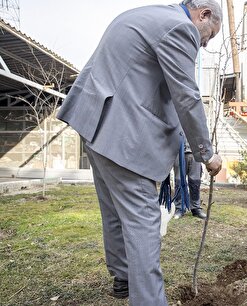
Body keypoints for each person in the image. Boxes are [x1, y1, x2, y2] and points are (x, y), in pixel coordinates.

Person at [56, 1, 223, 304]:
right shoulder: (180, 27)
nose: (205, 43)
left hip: (95, 121)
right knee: (143, 222)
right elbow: (185, 95)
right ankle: (148, 299)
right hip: (124, 136)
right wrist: (206, 153)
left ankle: (123, 278)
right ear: (204, 14)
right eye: (209, 36)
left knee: (114, 211)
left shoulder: (144, 14)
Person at [173, 137, 207, 219]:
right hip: (178, 152)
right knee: (179, 181)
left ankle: (196, 208)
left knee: (195, 182)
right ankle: (179, 208)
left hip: (195, 152)